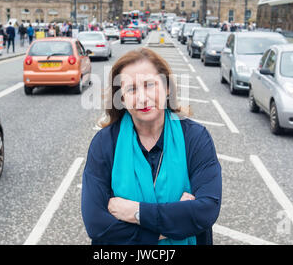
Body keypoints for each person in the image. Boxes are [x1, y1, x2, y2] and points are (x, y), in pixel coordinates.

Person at [81, 48, 222, 245]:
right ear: (121, 98)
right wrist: (171, 227)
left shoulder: (196, 138)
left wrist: (135, 212)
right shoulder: (104, 144)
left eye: (149, 85)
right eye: (131, 89)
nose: (142, 98)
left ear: (167, 88)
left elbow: (206, 211)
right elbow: (97, 224)